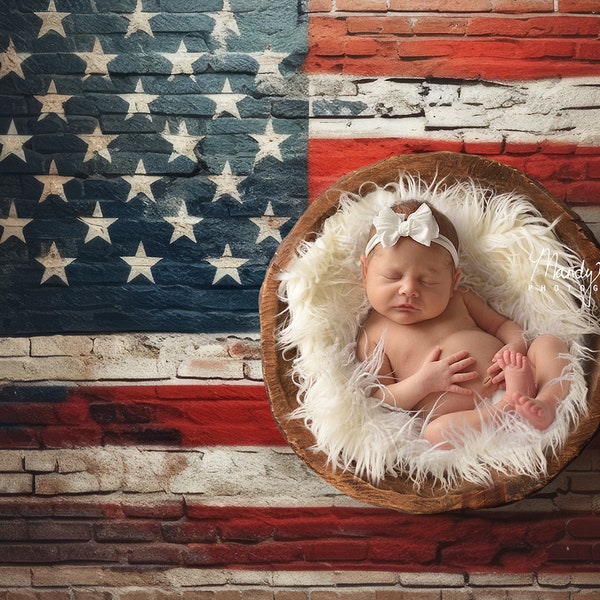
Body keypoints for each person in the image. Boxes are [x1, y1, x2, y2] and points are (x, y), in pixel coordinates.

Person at [356, 200, 571, 449]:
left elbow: (504, 325)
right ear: (365, 271)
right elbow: (383, 397)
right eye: (393, 277)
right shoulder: (372, 334)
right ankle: (506, 412)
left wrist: (515, 346)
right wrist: (422, 383)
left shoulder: (460, 299)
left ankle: (547, 402)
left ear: (452, 282)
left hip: (522, 379)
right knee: (434, 434)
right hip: (471, 419)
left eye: (427, 281)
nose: (408, 290)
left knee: (548, 343)